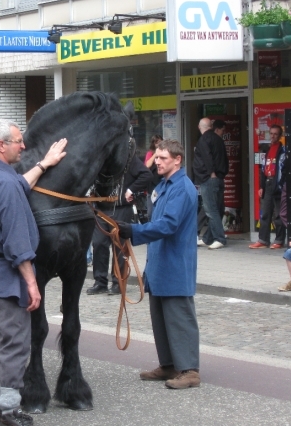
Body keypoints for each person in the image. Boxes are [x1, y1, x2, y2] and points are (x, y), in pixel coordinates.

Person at [0, 119, 67, 426]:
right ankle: (7, 413)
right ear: (2, 145)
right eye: (18, 141)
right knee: (15, 345)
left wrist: (44, 164)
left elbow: (19, 186)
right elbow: (18, 243)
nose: (24, 146)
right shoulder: (5, 183)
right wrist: (32, 283)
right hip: (8, 276)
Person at [117, 139, 200, 390]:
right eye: (158, 157)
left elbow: (168, 225)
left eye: (163, 158)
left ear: (178, 160)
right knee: (160, 318)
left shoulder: (182, 188)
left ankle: (189, 370)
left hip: (176, 263)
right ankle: (169, 364)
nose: (157, 161)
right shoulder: (164, 185)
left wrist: (133, 231)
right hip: (160, 261)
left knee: (179, 317)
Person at [87, 155, 152, 295]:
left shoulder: (128, 158)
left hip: (121, 208)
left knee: (119, 246)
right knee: (98, 243)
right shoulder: (100, 156)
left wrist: (130, 190)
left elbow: (146, 174)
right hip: (101, 207)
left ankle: (118, 282)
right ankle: (100, 281)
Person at [193, 118, 229, 250]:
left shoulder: (204, 140)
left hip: (209, 178)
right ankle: (208, 238)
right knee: (217, 208)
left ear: (199, 126)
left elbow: (207, 158)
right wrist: (220, 174)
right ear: (211, 126)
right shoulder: (218, 139)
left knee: (210, 209)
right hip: (219, 178)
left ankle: (219, 238)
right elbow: (225, 158)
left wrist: (211, 173)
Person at [250, 125, 286, 249]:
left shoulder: (283, 150)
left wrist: (281, 184)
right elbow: (263, 169)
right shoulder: (266, 149)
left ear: (280, 136)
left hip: (278, 185)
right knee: (265, 213)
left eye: (275, 134)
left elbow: (283, 170)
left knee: (279, 214)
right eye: (271, 133)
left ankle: (279, 240)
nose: (273, 136)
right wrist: (261, 186)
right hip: (268, 183)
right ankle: (263, 240)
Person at [144, 134, 163, 221]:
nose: (158, 144)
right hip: (152, 186)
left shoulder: (164, 152)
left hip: (161, 183)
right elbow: (147, 165)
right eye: (156, 143)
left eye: (160, 142)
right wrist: (155, 154)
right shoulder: (150, 153)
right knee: (150, 212)